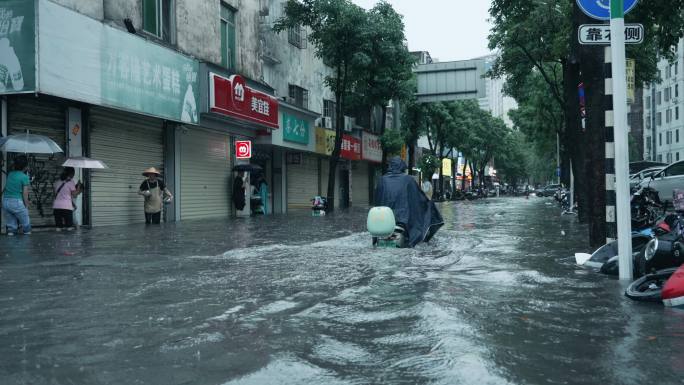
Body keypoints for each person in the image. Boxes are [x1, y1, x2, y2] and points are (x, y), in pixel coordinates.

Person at [374, 156, 444, 247]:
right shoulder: (408, 179)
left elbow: (378, 200)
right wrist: (428, 203)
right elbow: (418, 198)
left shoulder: (382, 180)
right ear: (402, 167)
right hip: (402, 220)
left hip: (383, 220)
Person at [1, 155, 31, 235]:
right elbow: (25, 193)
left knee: (11, 227)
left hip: (6, 202)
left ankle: (11, 242)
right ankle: (26, 244)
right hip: (16, 202)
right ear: (25, 166)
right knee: (26, 226)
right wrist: (26, 205)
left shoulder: (10, 174)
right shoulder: (24, 177)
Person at [53, 167, 82, 231]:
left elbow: (56, 194)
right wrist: (79, 186)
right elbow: (74, 194)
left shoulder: (57, 181)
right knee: (69, 228)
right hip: (66, 207)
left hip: (56, 207)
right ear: (71, 174)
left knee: (58, 228)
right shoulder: (71, 182)